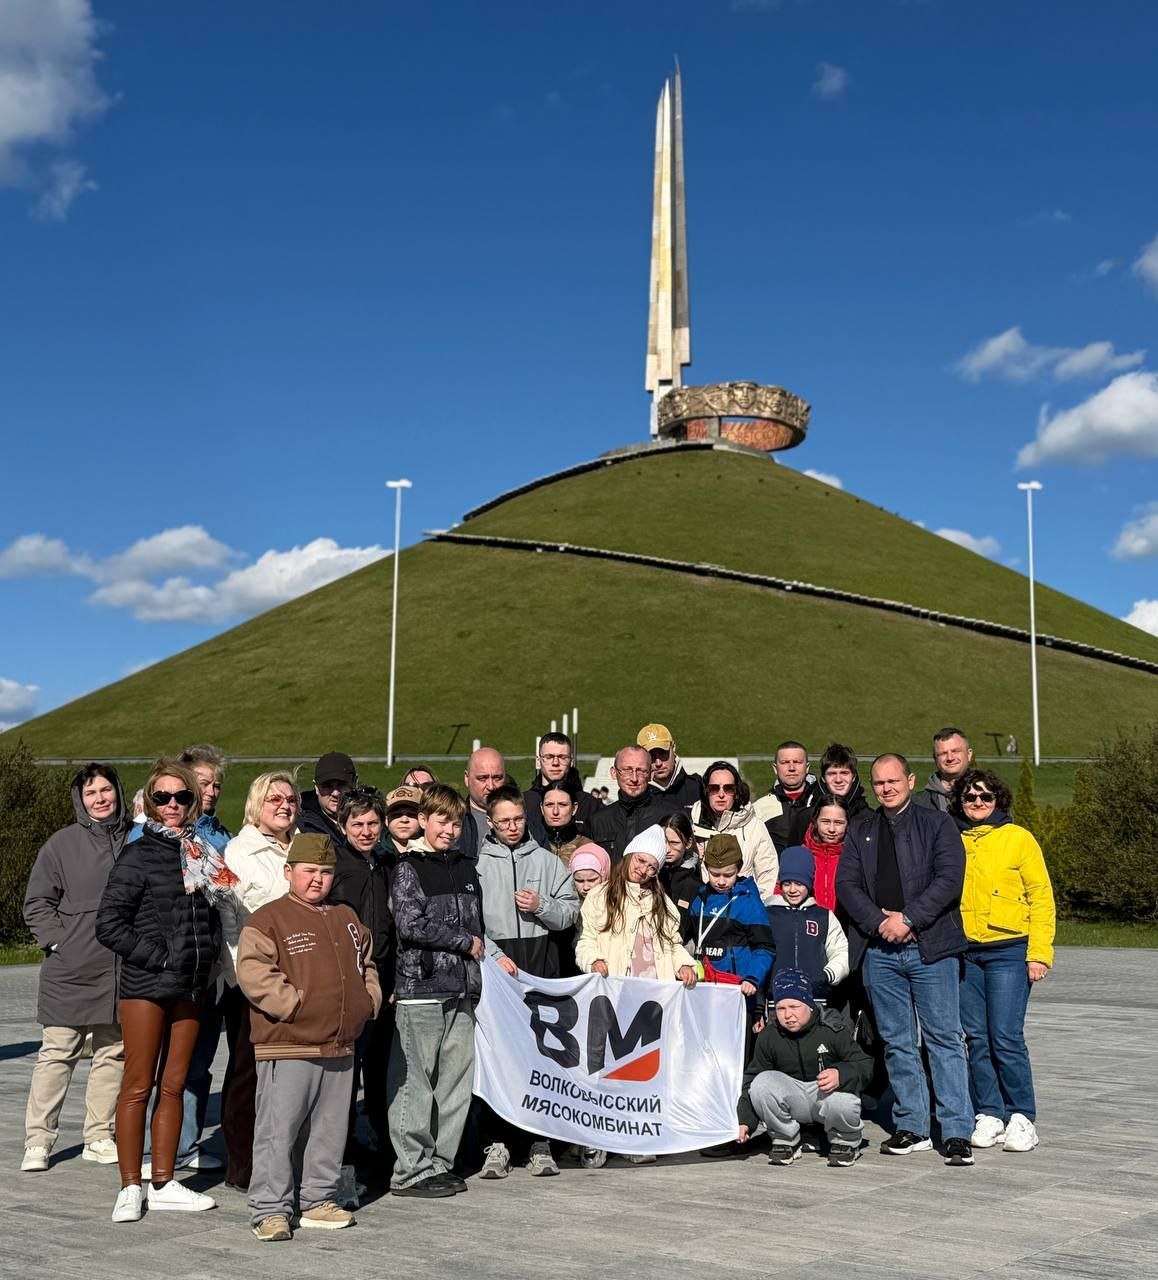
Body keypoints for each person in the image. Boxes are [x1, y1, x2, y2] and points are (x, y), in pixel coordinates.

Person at [95, 760, 237, 1222]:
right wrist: (158, 956)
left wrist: (211, 955)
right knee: (138, 1085)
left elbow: (216, 913)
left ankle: (163, 1180)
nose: (172, 805)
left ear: (192, 801)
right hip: (146, 986)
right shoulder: (138, 854)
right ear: (150, 804)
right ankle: (129, 1185)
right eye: (162, 797)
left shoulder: (202, 853)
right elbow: (108, 924)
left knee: (174, 1085)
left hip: (192, 985)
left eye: (181, 797)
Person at [238, 832, 381, 1241]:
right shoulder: (268, 919)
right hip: (289, 1043)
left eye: (325, 872)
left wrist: (367, 1001)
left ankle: (318, 1199)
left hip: (340, 1044)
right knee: (278, 1130)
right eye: (308, 871)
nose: (317, 879)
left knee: (329, 1129)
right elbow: (254, 973)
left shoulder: (346, 917)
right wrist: (294, 1005)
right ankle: (270, 1209)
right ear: (289, 872)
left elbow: (366, 963)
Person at [835, 753, 976, 1167]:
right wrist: (881, 923)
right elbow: (847, 884)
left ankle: (955, 1131)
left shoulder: (938, 824)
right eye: (878, 783)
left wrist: (910, 918)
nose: (886, 788)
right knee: (897, 1042)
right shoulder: (861, 829)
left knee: (944, 1039)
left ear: (910, 781)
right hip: (880, 951)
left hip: (930, 947)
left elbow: (950, 878)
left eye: (893, 781)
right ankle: (912, 1125)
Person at [21, 763, 131, 1172]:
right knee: (57, 1053)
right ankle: (38, 1141)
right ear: (80, 800)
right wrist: (58, 942)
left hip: (120, 970)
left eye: (106, 790)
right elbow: (37, 903)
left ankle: (99, 1136)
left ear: (118, 792)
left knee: (112, 1053)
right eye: (91, 793)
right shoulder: (61, 844)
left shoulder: (136, 840)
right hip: (70, 969)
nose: (100, 798)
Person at [476, 785, 580, 1180]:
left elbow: (570, 912)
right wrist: (493, 955)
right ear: (490, 822)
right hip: (499, 968)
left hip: (541, 964)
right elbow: (470, 921)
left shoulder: (549, 861)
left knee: (541, 1055)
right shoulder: (479, 863)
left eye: (518, 819)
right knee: (500, 1056)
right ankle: (498, 1143)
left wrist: (542, 907)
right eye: (503, 821)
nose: (512, 827)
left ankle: (541, 1141)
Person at [140, 745, 234, 1179]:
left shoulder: (219, 835)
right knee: (160, 1066)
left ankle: (185, 1144)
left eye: (216, 783)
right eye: (202, 781)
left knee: (197, 1062)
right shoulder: (150, 837)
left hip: (207, 966)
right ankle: (161, 1153)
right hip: (163, 970)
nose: (210, 789)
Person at [951, 769, 1055, 1154]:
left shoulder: (1018, 839)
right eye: (969, 797)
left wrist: (1039, 953)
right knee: (975, 1037)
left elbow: (1041, 897)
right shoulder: (952, 838)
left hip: (1009, 949)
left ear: (999, 800)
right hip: (965, 951)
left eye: (985, 797)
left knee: (1006, 1035)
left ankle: (1022, 1115)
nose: (977, 803)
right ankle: (989, 1112)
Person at [388, 784, 484, 1198]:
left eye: (457, 821)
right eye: (442, 820)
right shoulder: (408, 867)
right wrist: (463, 942)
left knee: (455, 1082)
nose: (450, 829)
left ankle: (439, 1163)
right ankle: (410, 1169)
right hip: (422, 989)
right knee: (415, 1082)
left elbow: (480, 927)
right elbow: (410, 924)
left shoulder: (465, 867)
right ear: (424, 821)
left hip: (461, 989)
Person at [217, 771, 300, 1191]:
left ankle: (285, 1157)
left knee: (291, 1074)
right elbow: (230, 923)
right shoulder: (239, 852)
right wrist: (244, 978)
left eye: (289, 798)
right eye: (274, 799)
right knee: (248, 1073)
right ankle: (242, 1165)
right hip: (252, 982)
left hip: (299, 980)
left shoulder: (302, 845)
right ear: (256, 805)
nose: (284, 805)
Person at [736, 969, 873, 1167]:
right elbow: (751, 1079)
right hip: (794, 1099)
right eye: (781, 1008)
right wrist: (745, 1121)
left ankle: (846, 1143)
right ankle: (785, 1140)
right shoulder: (769, 1036)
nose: (788, 1015)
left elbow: (865, 1064)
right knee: (761, 1083)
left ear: (809, 1004)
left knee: (843, 1099)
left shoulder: (832, 1028)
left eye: (794, 1006)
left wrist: (841, 1074)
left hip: (825, 1095)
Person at [329, 788, 396, 1172]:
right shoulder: (337, 865)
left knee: (380, 1064)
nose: (367, 831)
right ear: (343, 826)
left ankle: (378, 1144)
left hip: (383, 974)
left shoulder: (386, 863)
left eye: (373, 823)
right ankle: (344, 1151)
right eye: (358, 824)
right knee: (346, 1069)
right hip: (348, 975)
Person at [576, 825, 697, 985]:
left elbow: (673, 943)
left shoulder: (663, 903)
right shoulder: (599, 896)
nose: (643, 869)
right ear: (629, 855)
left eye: (652, 867)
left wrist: (684, 965)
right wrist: (593, 961)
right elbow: (586, 939)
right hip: (615, 985)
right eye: (640, 860)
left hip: (655, 991)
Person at [683, 834, 773, 1016]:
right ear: (706, 868)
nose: (721, 881)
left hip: (738, 990)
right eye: (715, 874)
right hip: (703, 990)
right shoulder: (699, 900)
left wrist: (753, 978)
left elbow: (765, 947)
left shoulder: (749, 903)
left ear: (738, 869)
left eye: (728, 874)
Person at [767, 847, 849, 1004]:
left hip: (817, 999)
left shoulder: (823, 916)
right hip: (776, 1000)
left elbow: (841, 951)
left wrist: (827, 975)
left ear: (809, 883)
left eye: (799, 883)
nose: (792, 890)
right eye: (787, 883)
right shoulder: (768, 914)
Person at [690, 761, 779, 903]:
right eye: (714, 788)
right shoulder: (691, 825)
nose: (721, 794)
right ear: (705, 791)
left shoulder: (754, 826)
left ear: (736, 792)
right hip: (702, 908)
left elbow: (768, 873)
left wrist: (755, 906)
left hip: (742, 910)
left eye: (728, 788)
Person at [587, 745, 679, 864]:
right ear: (614, 773)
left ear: (651, 774)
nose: (634, 778)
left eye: (641, 771)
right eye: (627, 770)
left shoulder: (670, 816)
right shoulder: (598, 820)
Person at [523, 732, 601, 843]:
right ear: (538, 761)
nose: (555, 763)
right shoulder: (523, 802)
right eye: (549, 757)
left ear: (572, 761)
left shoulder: (590, 805)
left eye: (562, 757)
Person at [756, 742, 825, 853]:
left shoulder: (824, 803)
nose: (791, 768)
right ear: (775, 768)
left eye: (797, 762)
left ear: (807, 767)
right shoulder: (759, 808)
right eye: (785, 762)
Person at [458, 747, 507, 860]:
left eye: (497, 778)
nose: (490, 786)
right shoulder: (454, 821)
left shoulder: (525, 820)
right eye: (482, 778)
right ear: (467, 778)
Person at [803, 796, 849, 914]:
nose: (832, 829)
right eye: (825, 822)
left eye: (839, 823)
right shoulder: (800, 855)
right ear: (815, 821)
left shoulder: (854, 857)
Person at [637, 722, 700, 809]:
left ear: (673, 748)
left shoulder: (699, 787)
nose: (658, 763)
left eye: (662, 753)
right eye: (651, 756)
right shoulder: (635, 796)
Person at [299, 751, 358, 840]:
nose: (335, 793)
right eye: (327, 786)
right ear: (316, 788)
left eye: (341, 785)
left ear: (354, 783)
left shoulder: (372, 816)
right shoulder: (303, 827)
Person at [915, 727, 974, 812]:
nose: (950, 758)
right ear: (935, 758)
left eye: (955, 751)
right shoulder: (918, 803)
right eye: (943, 753)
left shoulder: (989, 796)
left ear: (969, 754)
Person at [538, 777, 590, 866]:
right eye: (549, 805)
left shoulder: (587, 847)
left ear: (574, 808)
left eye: (562, 805)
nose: (555, 812)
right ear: (542, 808)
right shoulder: (531, 845)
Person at [659, 811, 701, 919]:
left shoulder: (694, 884)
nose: (667, 849)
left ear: (688, 843)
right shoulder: (648, 875)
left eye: (674, 843)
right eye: (663, 842)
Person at [817, 744, 870, 822]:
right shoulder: (809, 814)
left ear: (854, 777)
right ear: (823, 778)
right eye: (832, 774)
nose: (838, 780)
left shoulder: (869, 818)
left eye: (844, 773)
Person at [383, 784, 423, 856]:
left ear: (423, 819)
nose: (404, 820)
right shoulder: (375, 853)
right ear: (386, 820)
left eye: (411, 814)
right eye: (396, 815)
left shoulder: (434, 850)